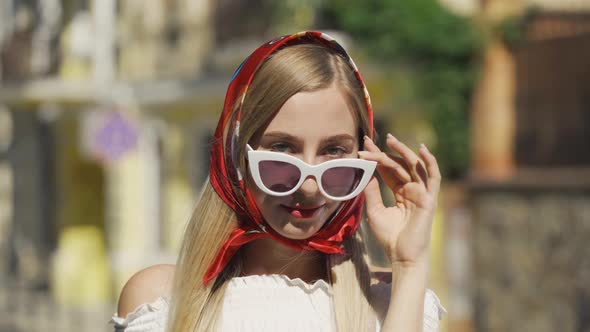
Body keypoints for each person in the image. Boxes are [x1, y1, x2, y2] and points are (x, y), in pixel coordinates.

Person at [110, 31, 446, 332]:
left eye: (334, 151)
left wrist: (409, 264)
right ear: (236, 154)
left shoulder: (393, 300)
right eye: (282, 150)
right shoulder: (162, 301)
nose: (309, 186)